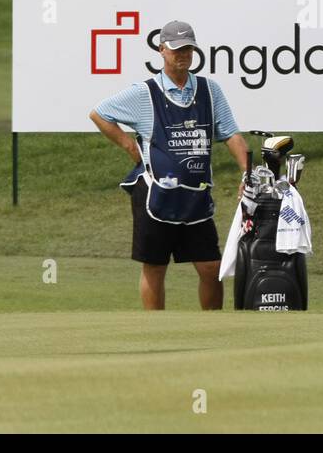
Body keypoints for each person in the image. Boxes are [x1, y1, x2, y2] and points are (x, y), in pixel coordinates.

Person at [89, 20, 250, 310]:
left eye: (188, 48)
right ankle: (156, 329)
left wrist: (246, 172)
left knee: (211, 268)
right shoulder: (144, 92)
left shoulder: (209, 91)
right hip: (156, 195)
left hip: (196, 196)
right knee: (155, 267)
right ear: (162, 50)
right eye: (176, 49)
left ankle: (214, 330)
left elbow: (232, 134)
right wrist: (131, 148)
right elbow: (99, 114)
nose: (183, 54)